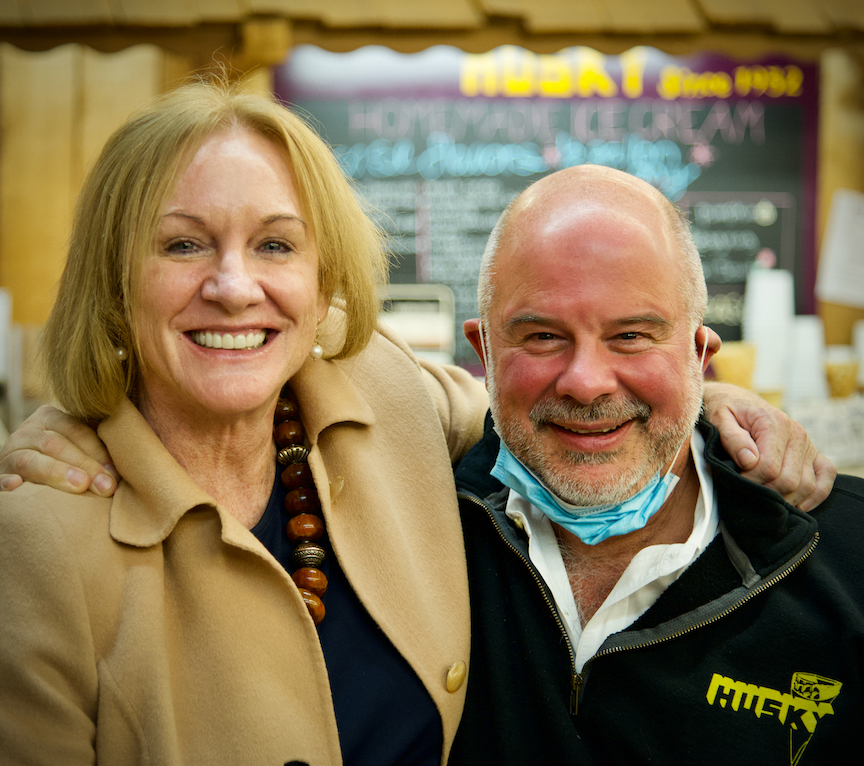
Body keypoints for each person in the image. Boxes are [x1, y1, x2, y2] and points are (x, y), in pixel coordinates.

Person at [0, 84, 835, 762]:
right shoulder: (38, 548)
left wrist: (704, 402)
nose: (233, 285)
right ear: (113, 279)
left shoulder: (385, 397)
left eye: (276, 246)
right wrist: (65, 419)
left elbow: (552, 412)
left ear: (322, 275)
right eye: (182, 246)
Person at [447, 164, 864, 765]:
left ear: (699, 354)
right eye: (541, 337)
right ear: (484, 350)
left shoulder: (848, 561)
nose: (586, 384)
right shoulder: (414, 533)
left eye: (633, 336)